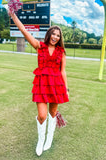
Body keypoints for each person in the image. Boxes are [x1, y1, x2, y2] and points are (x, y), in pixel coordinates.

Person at [9, 11, 69, 156]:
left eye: (58, 35)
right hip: (41, 84)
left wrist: (66, 89)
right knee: (42, 115)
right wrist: (13, 16)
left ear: (59, 38)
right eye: (53, 34)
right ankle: (40, 141)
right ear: (49, 34)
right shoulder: (39, 46)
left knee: (53, 113)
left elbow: (63, 71)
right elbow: (23, 30)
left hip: (56, 85)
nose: (55, 37)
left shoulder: (61, 52)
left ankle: (49, 139)